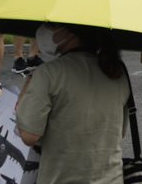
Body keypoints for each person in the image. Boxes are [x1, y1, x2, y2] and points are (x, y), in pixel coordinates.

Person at [16, 23, 130, 183]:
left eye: (51, 25)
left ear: (69, 32)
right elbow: (120, 132)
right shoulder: (117, 71)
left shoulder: (48, 73)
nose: (44, 29)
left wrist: (23, 96)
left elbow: (29, 135)